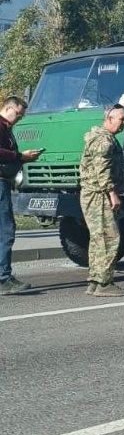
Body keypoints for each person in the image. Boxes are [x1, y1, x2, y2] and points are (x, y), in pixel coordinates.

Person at [80, 104, 124, 297]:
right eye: (121, 119)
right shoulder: (104, 142)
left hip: (92, 194)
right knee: (110, 238)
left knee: (98, 238)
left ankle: (94, 281)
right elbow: (102, 172)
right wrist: (112, 194)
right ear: (109, 119)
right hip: (100, 195)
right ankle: (104, 283)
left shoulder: (98, 137)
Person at [0, 96, 42, 296]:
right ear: (8, 108)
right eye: (18, 114)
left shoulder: (6, 128)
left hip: (4, 182)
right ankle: (3, 278)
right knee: (6, 230)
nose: (19, 118)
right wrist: (20, 157)